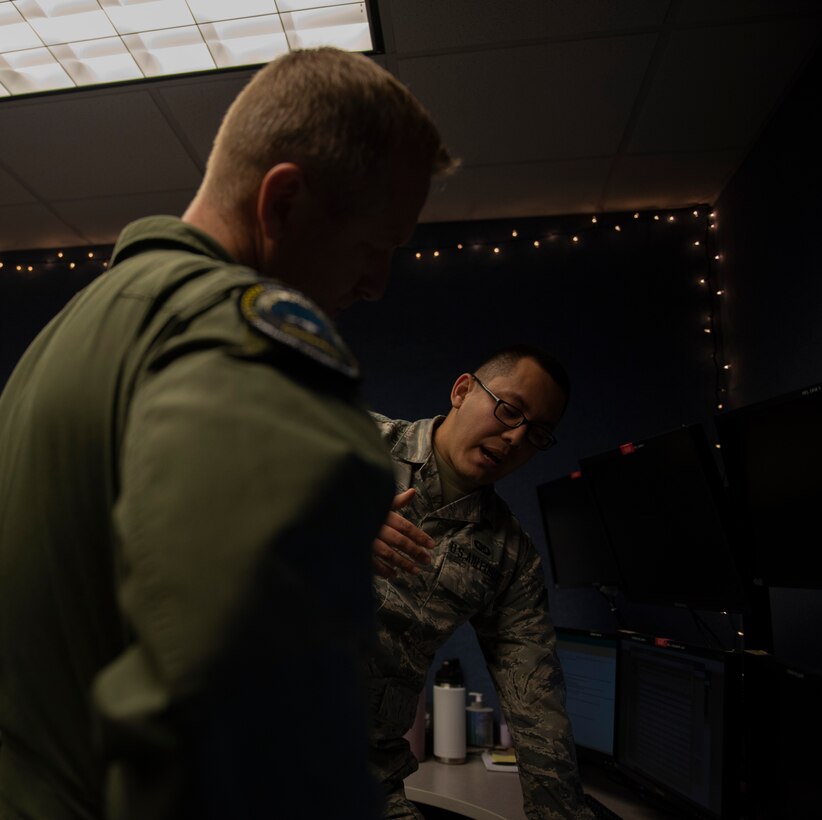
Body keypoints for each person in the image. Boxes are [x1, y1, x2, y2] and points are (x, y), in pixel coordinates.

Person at [0, 47, 455, 820]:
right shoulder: (241, 338)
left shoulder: (74, 333)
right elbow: (238, 731)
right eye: (374, 247)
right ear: (284, 203)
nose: (377, 284)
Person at [367, 344, 596, 819]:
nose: (516, 437)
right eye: (510, 410)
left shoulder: (509, 555)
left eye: (537, 434)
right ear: (462, 390)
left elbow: (537, 707)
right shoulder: (346, 440)